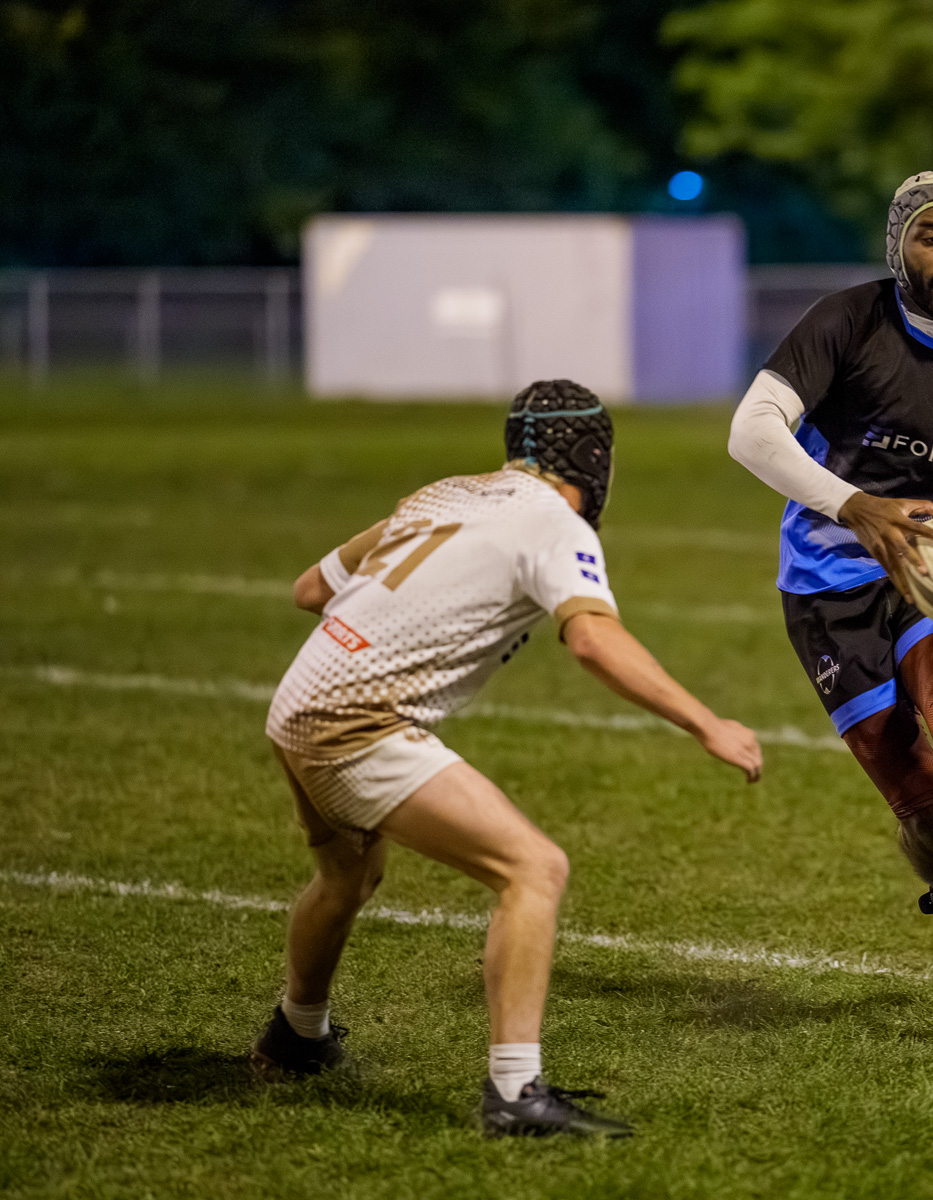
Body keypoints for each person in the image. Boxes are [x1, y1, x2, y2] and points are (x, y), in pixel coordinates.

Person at [252, 380, 763, 1137]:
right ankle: (516, 1095)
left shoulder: (443, 492)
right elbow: (591, 638)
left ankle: (297, 1033)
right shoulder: (555, 524)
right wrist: (705, 722)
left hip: (298, 701)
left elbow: (308, 589)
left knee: (347, 873)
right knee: (533, 869)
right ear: (594, 459)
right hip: (354, 719)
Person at [726, 171, 933, 1055]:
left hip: (930, 590)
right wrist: (852, 506)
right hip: (828, 595)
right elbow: (751, 432)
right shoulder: (845, 323)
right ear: (899, 243)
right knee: (926, 816)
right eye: (932, 237)